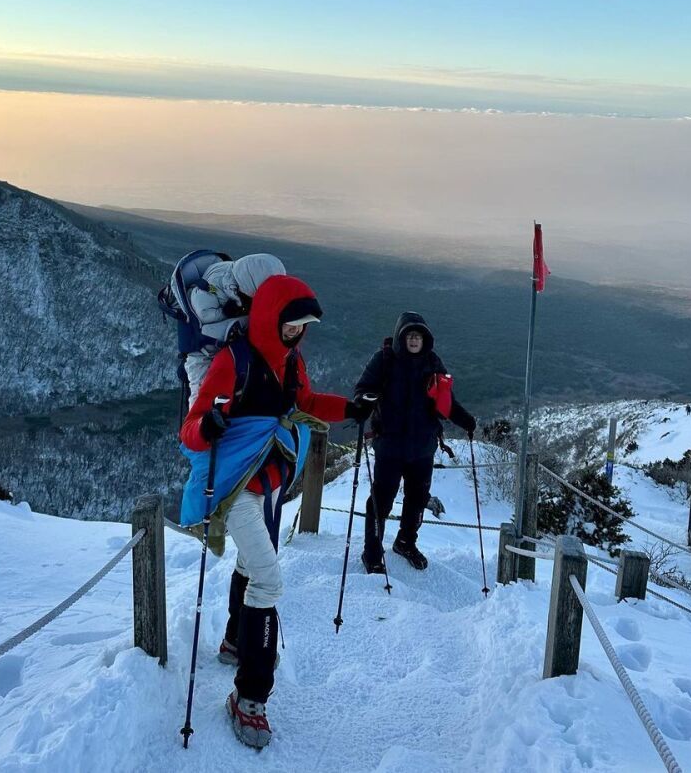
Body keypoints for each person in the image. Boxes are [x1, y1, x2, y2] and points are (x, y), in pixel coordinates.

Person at [180, 274, 351, 749]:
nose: (296, 333)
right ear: (270, 318)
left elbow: (307, 403)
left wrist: (353, 408)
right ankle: (249, 697)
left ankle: (237, 640)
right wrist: (209, 423)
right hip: (236, 487)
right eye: (290, 324)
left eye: (303, 327)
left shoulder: (291, 363)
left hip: (270, 478)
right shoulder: (232, 363)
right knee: (269, 579)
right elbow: (191, 430)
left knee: (248, 563)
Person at [351, 311, 476, 573]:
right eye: (409, 335)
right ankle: (372, 552)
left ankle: (406, 542)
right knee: (381, 500)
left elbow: (446, 401)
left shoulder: (432, 363)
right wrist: (363, 402)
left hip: (422, 447)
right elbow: (363, 388)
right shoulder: (384, 359)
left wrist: (466, 421)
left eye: (418, 335)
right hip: (390, 446)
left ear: (425, 339)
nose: (414, 340)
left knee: (417, 499)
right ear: (400, 337)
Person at [182, 253, 286, 401]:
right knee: (201, 394)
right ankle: (198, 422)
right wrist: (224, 312)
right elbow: (204, 315)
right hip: (202, 349)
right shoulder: (210, 288)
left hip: (229, 341)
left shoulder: (240, 278)